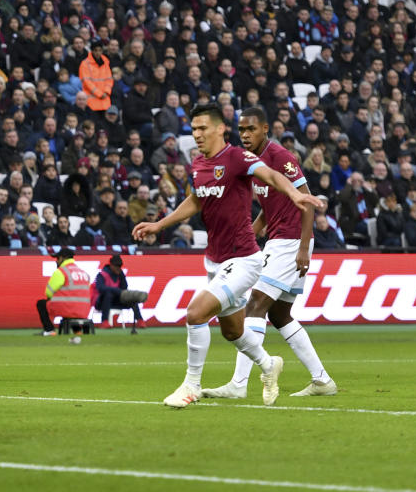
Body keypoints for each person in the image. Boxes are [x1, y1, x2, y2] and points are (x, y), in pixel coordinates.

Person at [132, 103, 323, 408]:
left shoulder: (236, 157)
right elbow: (196, 201)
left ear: (220, 128)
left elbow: (271, 176)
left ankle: (190, 386)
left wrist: (296, 194)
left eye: (203, 128)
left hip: (244, 259)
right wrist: (159, 224)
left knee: (195, 314)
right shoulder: (198, 164)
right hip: (215, 259)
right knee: (233, 330)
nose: (197, 134)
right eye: (193, 129)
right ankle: (267, 363)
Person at [203, 108, 336, 400]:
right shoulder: (252, 162)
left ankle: (238, 384)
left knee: (254, 305)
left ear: (265, 128)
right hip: (277, 240)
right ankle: (322, 380)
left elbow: (307, 201)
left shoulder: (281, 157)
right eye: (241, 129)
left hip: (290, 243)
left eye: (251, 129)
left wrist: (303, 247)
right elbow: (270, 203)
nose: (245, 135)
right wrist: (255, 228)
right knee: (279, 314)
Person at [35, 248, 92, 344]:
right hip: (84, 310)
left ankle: (50, 330)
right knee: (69, 308)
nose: (56, 261)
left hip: (68, 308)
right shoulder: (84, 273)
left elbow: (48, 292)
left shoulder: (61, 272)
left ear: (63, 258)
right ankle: (77, 331)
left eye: (57, 258)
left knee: (41, 303)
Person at [91, 255, 146, 332]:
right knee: (108, 294)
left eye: (120, 266)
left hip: (114, 301)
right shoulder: (101, 275)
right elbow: (100, 288)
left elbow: (124, 288)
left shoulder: (120, 274)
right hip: (100, 302)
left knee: (131, 298)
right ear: (111, 265)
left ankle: (140, 320)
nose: (118, 268)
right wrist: (116, 290)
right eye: (117, 266)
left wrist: (121, 276)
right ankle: (104, 321)